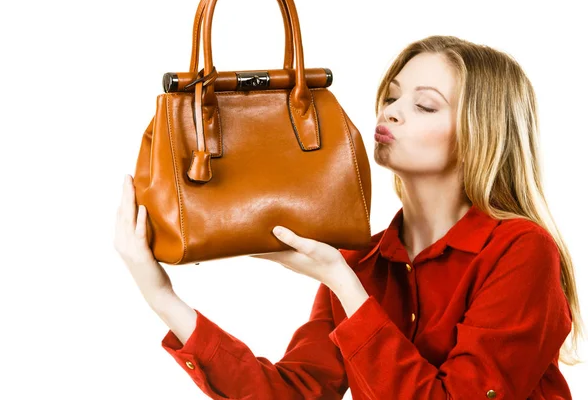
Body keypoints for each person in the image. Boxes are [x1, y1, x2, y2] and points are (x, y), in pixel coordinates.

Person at [114, 35, 584, 399]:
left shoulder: (520, 250)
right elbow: (294, 392)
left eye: (424, 105)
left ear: (481, 131)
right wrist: (161, 296)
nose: (392, 112)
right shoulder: (362, 261)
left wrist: (344, 285)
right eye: (392, 96)